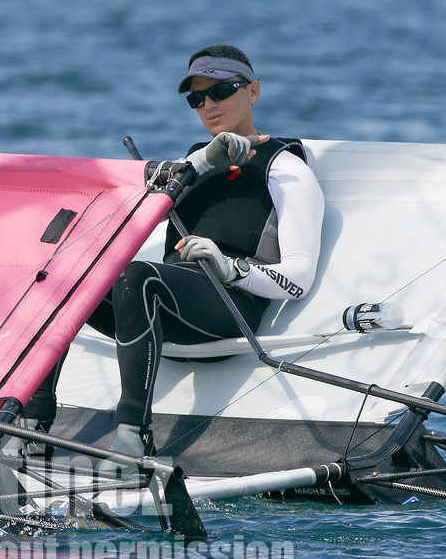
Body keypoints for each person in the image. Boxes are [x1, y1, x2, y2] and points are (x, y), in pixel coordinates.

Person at [86, 44, 324, 461]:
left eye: (221, 91)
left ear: (252, 91)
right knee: (70, 273)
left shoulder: (285, 169)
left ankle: (134, 435)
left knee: (138, 276)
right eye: (197, 98)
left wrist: (230, 268)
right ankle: (28, 426)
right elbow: (125, 222)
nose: (208, 105)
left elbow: (299, 278)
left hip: (231, 304)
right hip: (167, 299)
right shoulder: (192, 163)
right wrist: (197, 164)